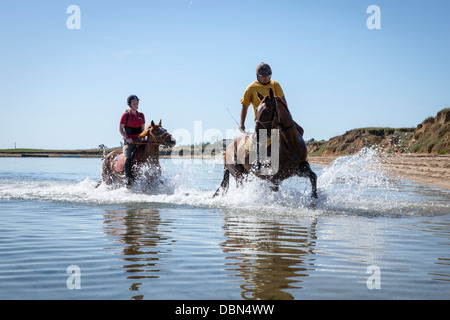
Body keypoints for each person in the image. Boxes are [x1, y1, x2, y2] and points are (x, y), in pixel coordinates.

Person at [239, 62, 304, 136]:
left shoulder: (275, 85)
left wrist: (287, 116)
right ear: (257, 76)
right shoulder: (251, 88)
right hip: (263, 122)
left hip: (278, 119)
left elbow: (283, 100)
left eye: (268, 75)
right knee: (263, 145)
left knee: (299, 131)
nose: (266, 77)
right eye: (263, 76)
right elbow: (245, 106)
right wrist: (242, 124)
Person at [119, 95, 146, 186]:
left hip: (139, 141)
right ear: (129, 104)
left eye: (137, 102)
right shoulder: (125, 116)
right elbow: (121, 130)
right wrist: (127, 138)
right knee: (127, 158)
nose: (136, 104)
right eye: (134, 103)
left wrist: (144, 138)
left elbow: (143, 130)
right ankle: (128, 179)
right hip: (129, 142)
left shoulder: (141, 115)